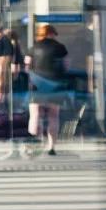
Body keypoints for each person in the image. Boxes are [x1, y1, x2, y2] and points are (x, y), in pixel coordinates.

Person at [26, 24, 69, 156]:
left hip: (37, 84)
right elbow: (66, 66)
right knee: (53, 115)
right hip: (55, 84)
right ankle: (51, 147)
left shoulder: (33, 48)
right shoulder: (60, 48)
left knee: (35, 115)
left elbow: (27, 66)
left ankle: (34, 144)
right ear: (52, 33)